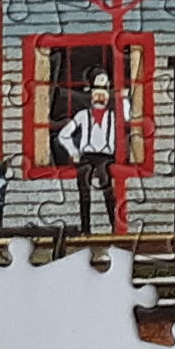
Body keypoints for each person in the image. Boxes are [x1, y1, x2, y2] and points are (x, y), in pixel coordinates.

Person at [57, 71, 125, 235]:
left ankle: (114, 226)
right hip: (86, 155)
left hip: (105, 156)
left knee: (105, 181)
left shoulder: (113, 116)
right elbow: (63, 135)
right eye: (97, 94)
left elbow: (128, 116)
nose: (100, 98)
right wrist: (74, 151)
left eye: (104, 94)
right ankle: (85, 228)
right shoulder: (82, 115)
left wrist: (123, 98)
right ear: (91, 95)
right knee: (83, 182)